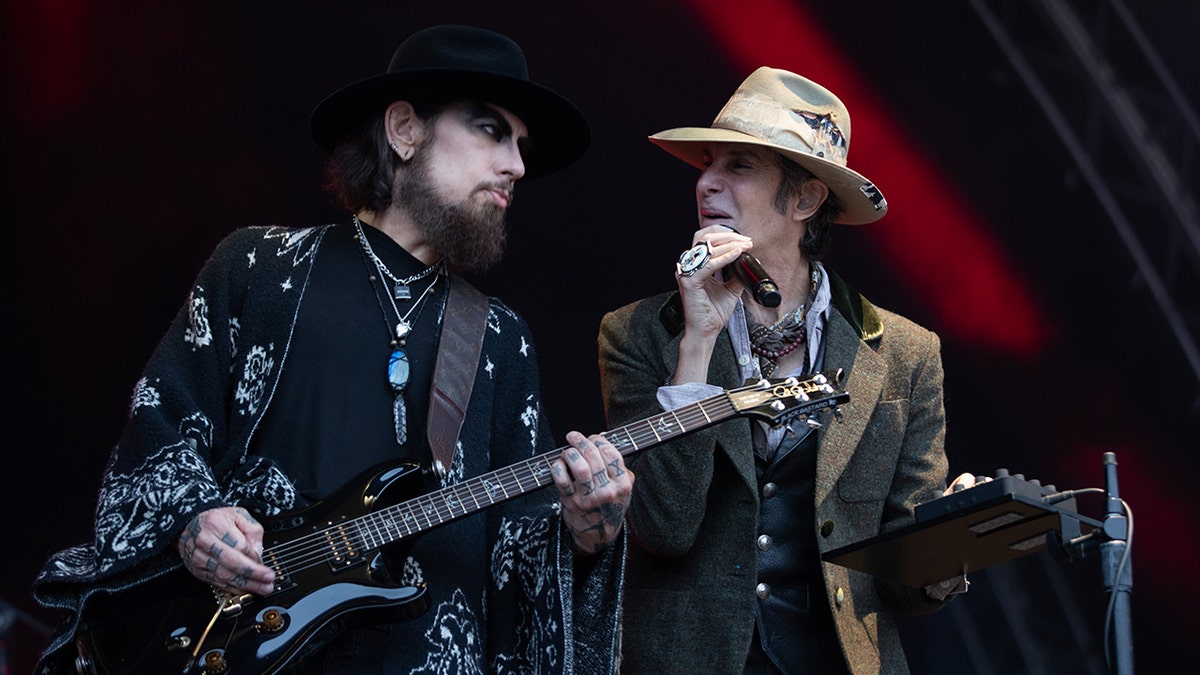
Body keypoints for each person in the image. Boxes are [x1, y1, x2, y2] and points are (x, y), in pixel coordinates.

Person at [32, 24, 632, 674]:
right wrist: (195, 519)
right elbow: (160, 428)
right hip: (242, 651)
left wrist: (584, 533)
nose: (516, 163)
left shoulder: (495, 336)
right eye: (491, 129)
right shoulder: (260, 268)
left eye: (521, 145)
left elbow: (520, 539)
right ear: (403, 129)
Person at [598, 67, 966, 674]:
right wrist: (697, 344)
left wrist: (950, 548)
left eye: (737, 166)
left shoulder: (904, 353)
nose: (707, 184)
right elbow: (664, 528)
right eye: (707, 164)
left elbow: (904, 585)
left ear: (805, 198)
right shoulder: (637, 333)